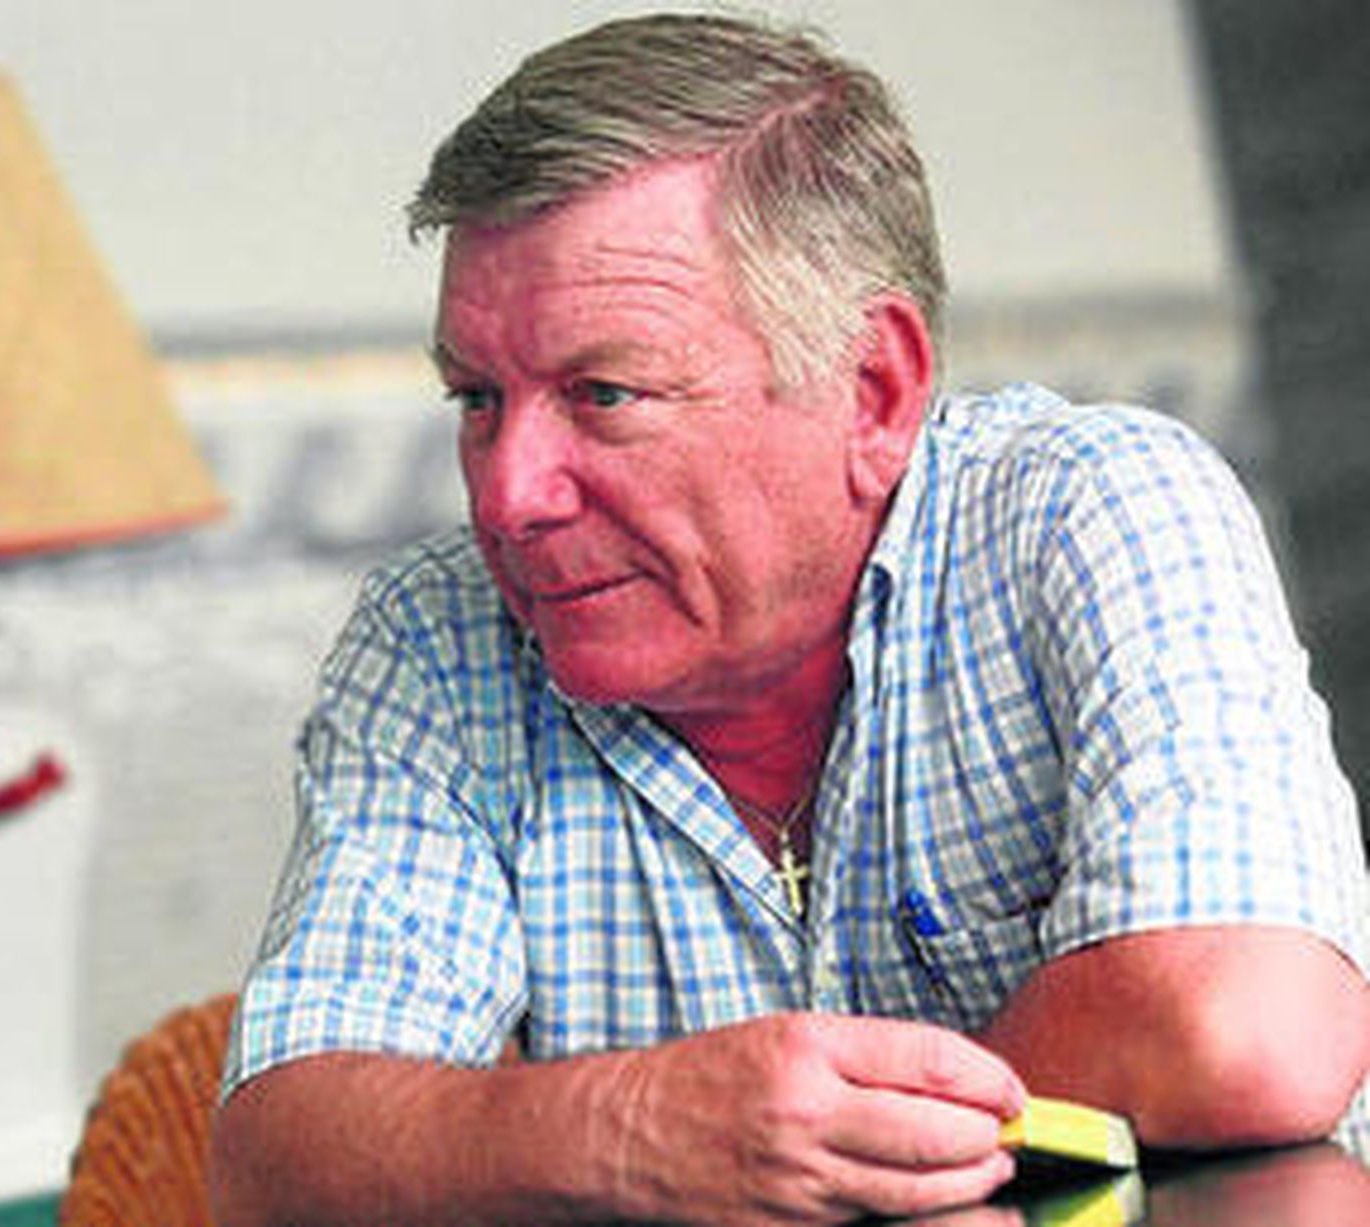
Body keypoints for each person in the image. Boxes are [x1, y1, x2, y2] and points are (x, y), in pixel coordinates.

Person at [211, 13, 1370, 1225]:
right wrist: (638, 1127)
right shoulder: (437, 637)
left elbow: (1241, 1029)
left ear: (873, 392)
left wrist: (795, 1149)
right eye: (476, 399)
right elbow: (273, 1169)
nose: (509, 495)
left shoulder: (1090, 507)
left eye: (604, 393)